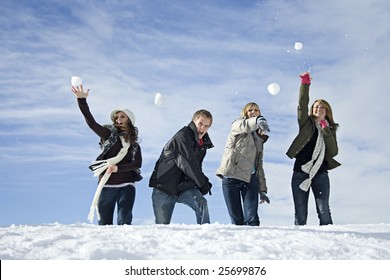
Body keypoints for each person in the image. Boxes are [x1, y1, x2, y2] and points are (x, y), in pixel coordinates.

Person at [71, 84, 142, 225]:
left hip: (127, 185)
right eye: (116, 118)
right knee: (104, 223)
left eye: (122, 117)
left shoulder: (134, 145)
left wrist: (118, 168)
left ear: (130, 120)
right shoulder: (109, 136)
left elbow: (137, 164)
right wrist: (81, 100)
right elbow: (92, 124)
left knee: (125, 221)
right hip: (107, 185)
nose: (118, 120)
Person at [286, 72, 341, 226]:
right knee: (300, 212)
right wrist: (305, 85)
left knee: (323, 210)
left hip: (321, 173)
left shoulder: (330, 129)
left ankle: (331, 241)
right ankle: (299, 241)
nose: (319, 109)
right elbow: (302, 105)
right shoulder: (306, 123)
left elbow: (333, 151)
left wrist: (326, 131)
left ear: (327, 111)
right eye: (316, 107)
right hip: (300, 172)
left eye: (322, 108)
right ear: (312, 110)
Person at [149, 109, 214, 224]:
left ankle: (206, 233)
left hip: (183, 187)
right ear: (193, 121)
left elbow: (196, 168)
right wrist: (203, 183)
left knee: (201, 202)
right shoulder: (183, 136)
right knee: (162, 228)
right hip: (164, 187)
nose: (202, 128)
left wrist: (202, 183)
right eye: (200, 124)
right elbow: (188, 164)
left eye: (206, 126)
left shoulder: (202, 145)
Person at [216, 102, 270, 226]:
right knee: (237, 221)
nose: (253, 112)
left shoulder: (259, 138)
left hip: (250, 179)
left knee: (252, 219)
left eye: (256, 110)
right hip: (231, 177)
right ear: (245, 113)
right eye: (250, 110)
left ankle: (254, 244)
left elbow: (259, 164)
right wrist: (258, 120)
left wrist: (262, 189)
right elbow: (245, 125)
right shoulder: (237, 125)